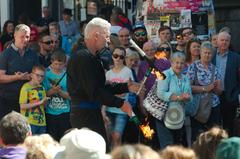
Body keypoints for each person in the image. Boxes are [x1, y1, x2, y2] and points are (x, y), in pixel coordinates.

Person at [67, 17, 137, 149]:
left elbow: (100, 86)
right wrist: (120, 103)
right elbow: (94, 92)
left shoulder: (91, 56)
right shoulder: (83, 57)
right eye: (107, 36)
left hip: (91, 113)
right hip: (84, 115)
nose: (108, 40)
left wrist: (126, 86)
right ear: (96, 35)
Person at [0, 24, 39, 119]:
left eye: (27, 37)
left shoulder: (33, 54)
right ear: (15, 36)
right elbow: (0, 77)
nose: (25, 39)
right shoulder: (6, 54)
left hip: (29, 100)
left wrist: (30, 76)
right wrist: (17, 77)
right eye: (22, 37)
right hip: (9, 100)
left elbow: (39, 74)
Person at [187, 41, 222, 142]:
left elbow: (220, 92)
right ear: (201, 53)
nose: (207, 55)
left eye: (209, 53)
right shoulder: (193, 67)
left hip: (213, 106)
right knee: (197, 137)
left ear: (212, 54)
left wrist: (216, 88)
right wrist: (205, 88)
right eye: (205, 52)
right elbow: (187, 87)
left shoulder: (215, 69)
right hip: (198, 107)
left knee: (214, 137)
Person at [156, 52, 192, 149]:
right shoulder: (164, 74)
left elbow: (189, 96)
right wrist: (179, 97)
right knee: (167, 147)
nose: (179, 65)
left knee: (176, 146)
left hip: (178, 116)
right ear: (171, 63)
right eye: (177, 62)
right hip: (163, 116)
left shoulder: (185, 78)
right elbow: (160, 93)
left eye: (181, 63)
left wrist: (188, 97)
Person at [103, 47, 133, 148]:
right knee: (110, 137)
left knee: (117, 136)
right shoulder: (108, 73)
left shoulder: (127, 71)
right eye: (115, 56)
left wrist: (110, 94)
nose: (118, 58)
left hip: (122, 110)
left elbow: (124, 93)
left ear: (124, 58)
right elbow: (104, 93)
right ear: (112, 56)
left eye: (121, 56)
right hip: (109, 109)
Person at [212, 31, 240, 136]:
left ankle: (229, 148)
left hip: (230, 96)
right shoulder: (211, 56)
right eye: (222, 40)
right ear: (217, 41)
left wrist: (236, 95)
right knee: (215, 127)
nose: (224, 42)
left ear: (229, 42)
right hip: (213, 96)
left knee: (229, 127)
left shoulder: (236, 58)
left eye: (226, 40)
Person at [43, 50, 71, 141]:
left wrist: (59, 92)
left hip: (65, 112)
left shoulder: (68, 75)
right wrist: (53, 90)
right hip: (50, 113)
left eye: (60, 64)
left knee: (64, 139)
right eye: (55, 64)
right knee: (52, 140)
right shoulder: (46, 74)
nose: (58, 67)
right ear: (51, 61)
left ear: (65, 63)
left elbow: (71, 97)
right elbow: (44, 94)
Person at [19, 65, 48, 134]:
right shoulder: (26, 87)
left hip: (41, 122)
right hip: (28, 122)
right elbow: (22, 106)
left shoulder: (42, 88)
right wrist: (39, 103)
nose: (40, 78)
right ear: (32, 75)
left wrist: (45, 102)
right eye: (38, 75)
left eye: (42, 76)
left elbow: (44, 106)